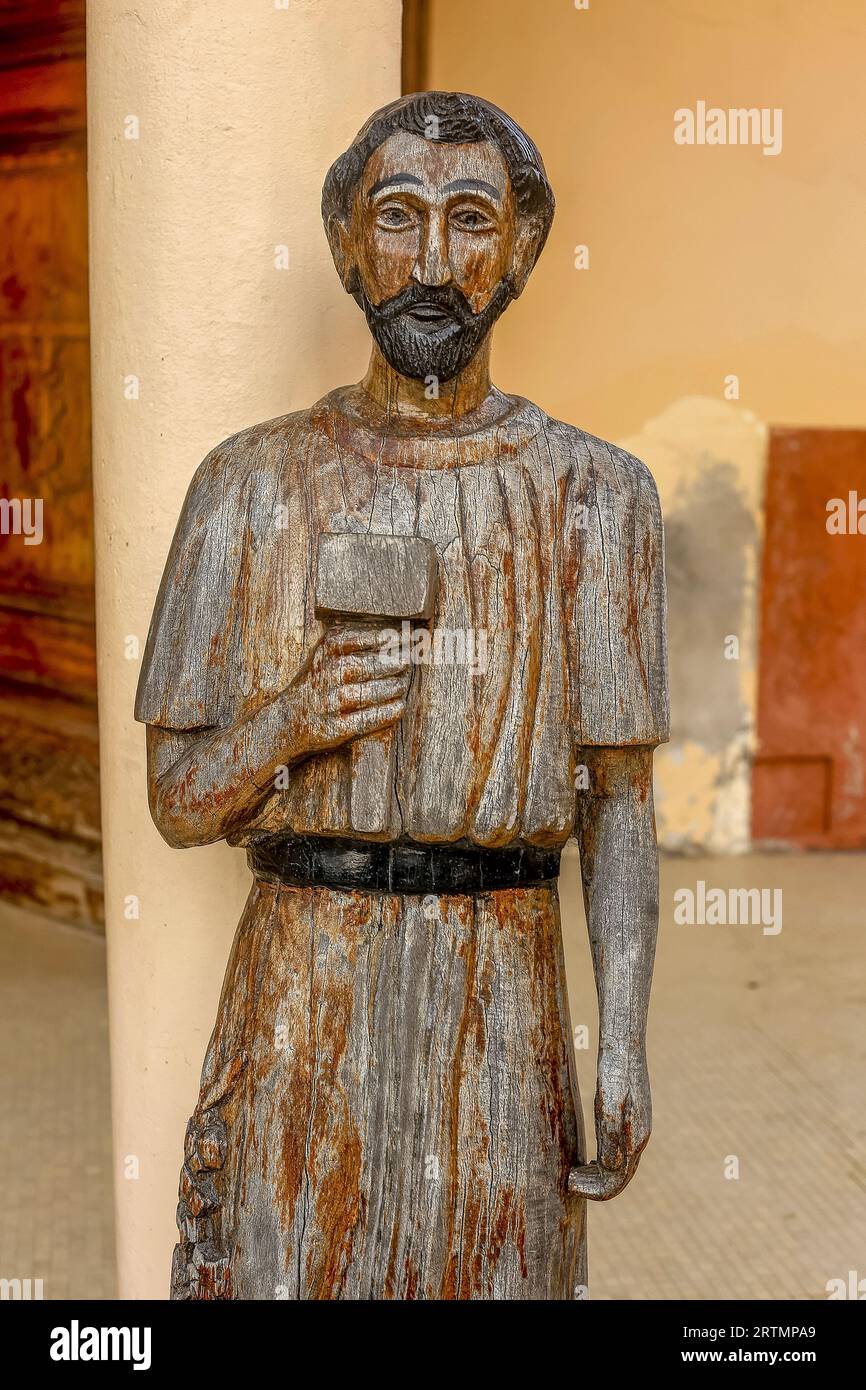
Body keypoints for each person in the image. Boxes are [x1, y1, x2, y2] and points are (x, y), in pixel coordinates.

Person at [136, 91, 669, 1300]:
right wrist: (290, 718)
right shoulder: (246, 485)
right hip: (300, 994)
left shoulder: (596, 494)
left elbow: (618, 801)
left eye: (471, 220)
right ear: (345, 244)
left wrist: (623, 1036)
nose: (432, 261)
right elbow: (176, 802)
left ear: (522, 249)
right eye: (398, 216)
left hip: (503, 990)